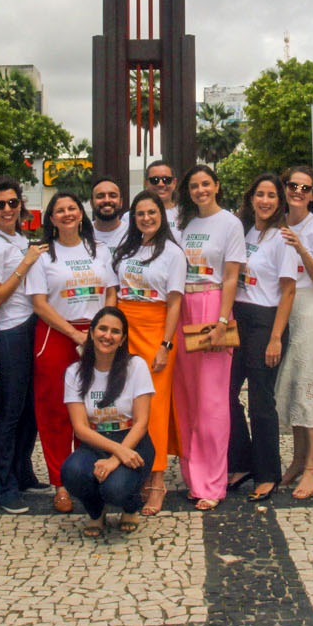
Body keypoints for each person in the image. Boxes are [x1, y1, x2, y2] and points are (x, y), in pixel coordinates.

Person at [26, 191, 118, 514]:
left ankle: (95, 475)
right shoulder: (42, 254)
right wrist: (75, 334)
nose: (66, 214)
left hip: (96, 335)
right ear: (51, 219)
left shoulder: (100, 250)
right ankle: (60, 483)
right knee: (55, 412)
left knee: (97, 410)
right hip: (56, 334)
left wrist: (102, 331)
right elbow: (39, 303)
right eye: (59, 210)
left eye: (72, 209)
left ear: (82, 214)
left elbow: (111, 292)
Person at [171, 164, 246, 511]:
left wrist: (221, 319)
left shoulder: (230, 223)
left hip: (212, 305)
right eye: (194, 185)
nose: (200, 190)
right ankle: (193, 476)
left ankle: (213, 483)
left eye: (206, 184)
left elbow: (231, 276)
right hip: (182, 306)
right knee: (186, 398)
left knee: (212, 401)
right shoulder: (183, 223)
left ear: (217, 186)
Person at [112, 190, 186, 516]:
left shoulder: (172, 253)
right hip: (125, 330)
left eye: (152, 213)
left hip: (156, 330)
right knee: (127, 405)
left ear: (162, 215)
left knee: (154, 408)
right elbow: (114, 293)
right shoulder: (125, 249)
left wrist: (166, 345)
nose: (146, 219)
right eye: (140, 214)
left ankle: (157, 480)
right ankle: (134, 470)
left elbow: (175, 302)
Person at [0, 175, 48, 514]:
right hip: (10, 331)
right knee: (10, 412)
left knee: (30, 411)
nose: (7, 209)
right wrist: (25, 264)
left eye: (12, 203)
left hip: (30, 325)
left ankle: (20, 471)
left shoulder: (18, 237)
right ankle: (0, 485)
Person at [228, 173, 297, 502]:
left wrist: (276, 337)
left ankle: (268, 472)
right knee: (225, 393)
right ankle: (242, 462)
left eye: (272, 195)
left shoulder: (284, 238)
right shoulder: (245, 231)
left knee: (260, 400)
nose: (265, 201)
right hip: (237, 316)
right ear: (251, 198)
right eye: (260, 194)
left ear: (280, 201)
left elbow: (288, 291)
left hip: (265, 319)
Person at [61, 306, 156, 537]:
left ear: (123, 339)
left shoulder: (136, 366)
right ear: (92, 332)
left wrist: (117, 458)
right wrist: (115, 452)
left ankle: (131, 507)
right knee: (71, 472)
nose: (107, 336)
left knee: (116, 489)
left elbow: (142, 422)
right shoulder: (75, 371)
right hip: (96, 442)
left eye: (115, 332)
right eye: (102, 329)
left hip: (133, 442)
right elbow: (80, 429)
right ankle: (96, 513)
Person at [275, 165, 313, 500]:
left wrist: (301, 248)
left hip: (309, 309)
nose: (298, 191)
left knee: (310, 386)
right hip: (282, 309)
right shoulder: (276, 223)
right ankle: (298, 458)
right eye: (292, 185)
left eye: (305, 188)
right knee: (292, 385)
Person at [90, 176, 130, 249]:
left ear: (121, 202)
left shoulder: (133, 234)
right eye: (100, 196)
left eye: (113, 196)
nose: (107, 200)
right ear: (92, 203)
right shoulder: (82, 235)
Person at [144, 160, 179, 227]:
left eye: (166, 179)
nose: (161, 184)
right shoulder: (131, 217)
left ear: (174, 183)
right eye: (154, 180)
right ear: (146, 183)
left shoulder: (185, 216)